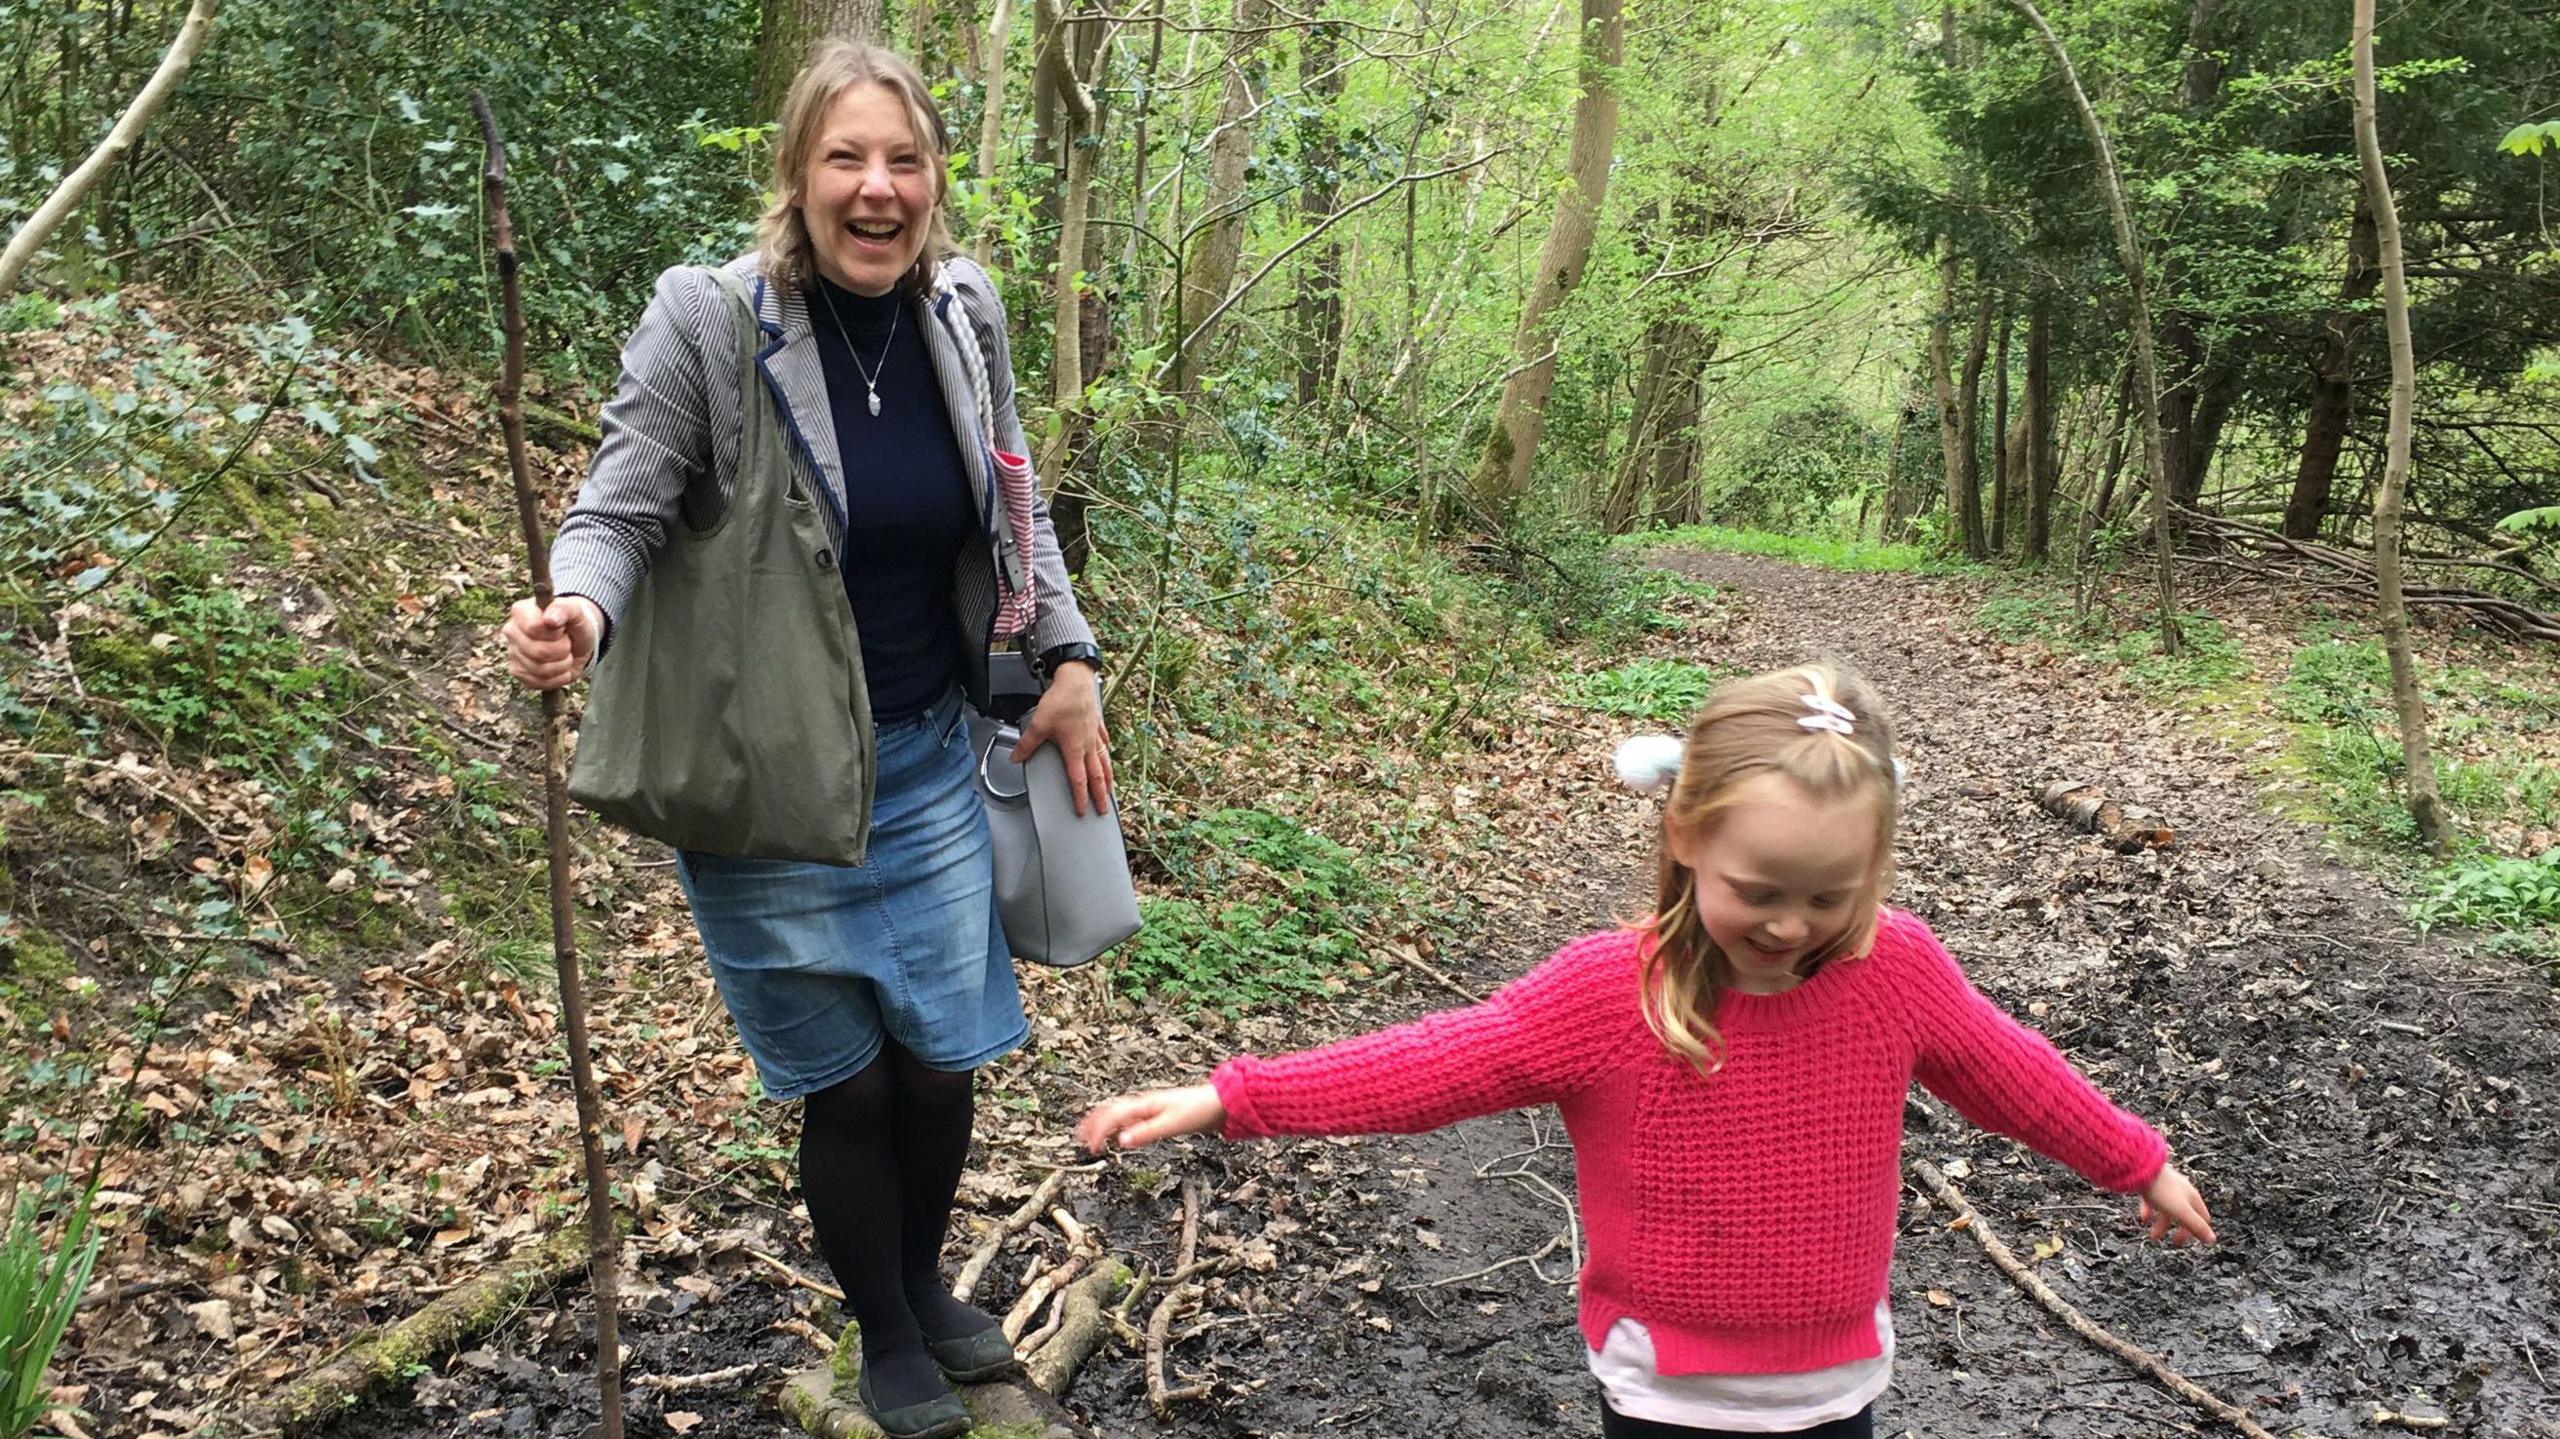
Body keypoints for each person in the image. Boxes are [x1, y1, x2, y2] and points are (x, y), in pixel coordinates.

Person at [1076, 664, 2213, 1439]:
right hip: (1664, 1380)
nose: (1790, 923)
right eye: (1757, 890)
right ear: (1684, 833)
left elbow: (2013, 1072)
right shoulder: (1608, 994)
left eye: (1830, 893)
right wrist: (1234, 1095)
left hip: (1835, 1377)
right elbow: (1431, 1063)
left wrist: (2133, 1158)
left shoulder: (1897, 971)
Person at [500, 41, 1109, 1439]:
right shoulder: (709, 321)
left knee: (943, 1053)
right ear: (798, 172)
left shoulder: (965, 310)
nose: (877, 188)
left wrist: (1066, 654)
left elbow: (1011, 502)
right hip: (765, 783)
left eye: (903, 159)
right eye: (847, 159)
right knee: (846, 1080)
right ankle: (887, 1331)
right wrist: (575, 610)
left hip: (928, 759)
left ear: (936, 175)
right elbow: (617, 502)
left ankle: (916, 1277)